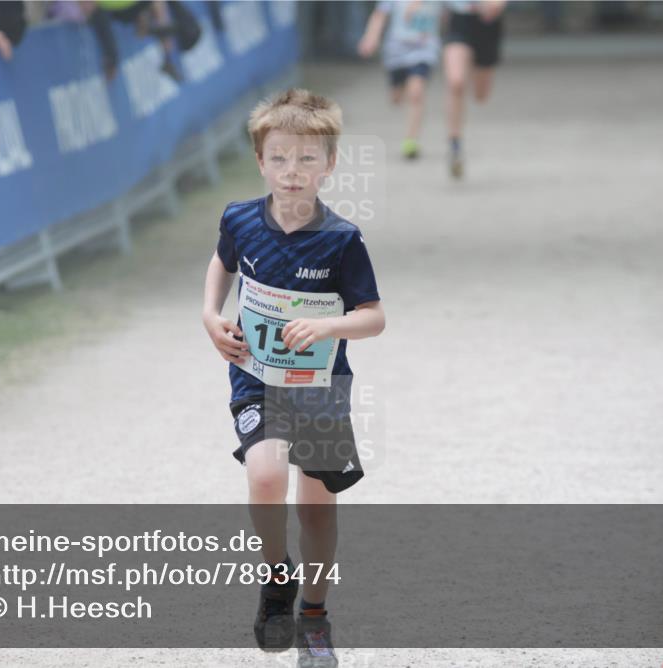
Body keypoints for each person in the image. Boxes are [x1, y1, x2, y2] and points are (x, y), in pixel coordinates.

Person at [202, 89, 385, 667]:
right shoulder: (239, 217)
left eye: (307, 159)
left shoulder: (342, 239)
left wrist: (328, 325)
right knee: (264, 474)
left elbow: (374, 317)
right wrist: (210, 315)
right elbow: (222, 262)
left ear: (329, 165)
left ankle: (314, 616)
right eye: (279, 157)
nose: (292, 171)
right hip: (256, 379)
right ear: (261, 161)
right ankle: (277, 574)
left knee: (317, 509)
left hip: (321, 387)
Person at [357, 0, 442, 160]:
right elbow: (379, 15)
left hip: (424, 50)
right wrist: (371, 37)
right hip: (396, 53)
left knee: (416, 93)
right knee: (396, 99)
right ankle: (399, 90)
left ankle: (411, 141)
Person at [442, 0, 505, 178]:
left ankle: (474, 70)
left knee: (481, 96)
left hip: (487, 25)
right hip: (459, 21)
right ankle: (455, 145)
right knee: (456, 82)